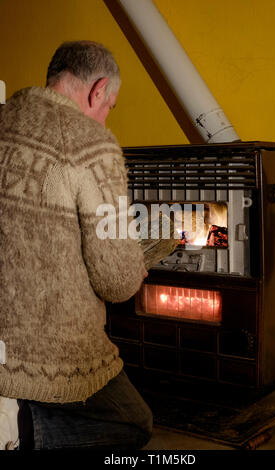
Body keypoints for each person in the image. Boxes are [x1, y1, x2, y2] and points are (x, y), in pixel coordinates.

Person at [0, 40, 153, 450]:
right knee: (134, 422)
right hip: (44, 351)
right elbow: (117, 281)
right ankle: (20, 430)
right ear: (98, 89)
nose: (105, 120)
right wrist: (133, 267)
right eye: (110, 107)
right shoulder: (91, 144)